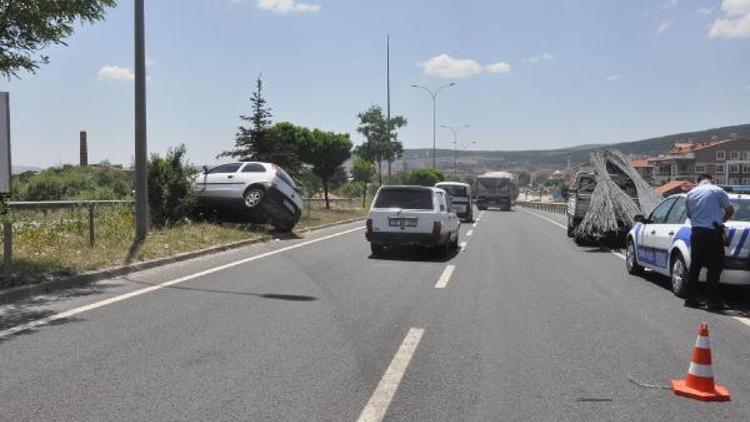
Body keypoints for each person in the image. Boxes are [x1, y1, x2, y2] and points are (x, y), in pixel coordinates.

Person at [684, 174, 734, 311]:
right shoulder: (717, 190)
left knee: (695, 266)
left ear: (698, 182)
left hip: (696, 233)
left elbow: (689, 215)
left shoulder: (690, 194)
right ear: (711, 180)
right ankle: (712, 302)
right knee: (714, 267)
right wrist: (722, 220)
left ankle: (690, 299)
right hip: (712, 233)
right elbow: (730, 210)